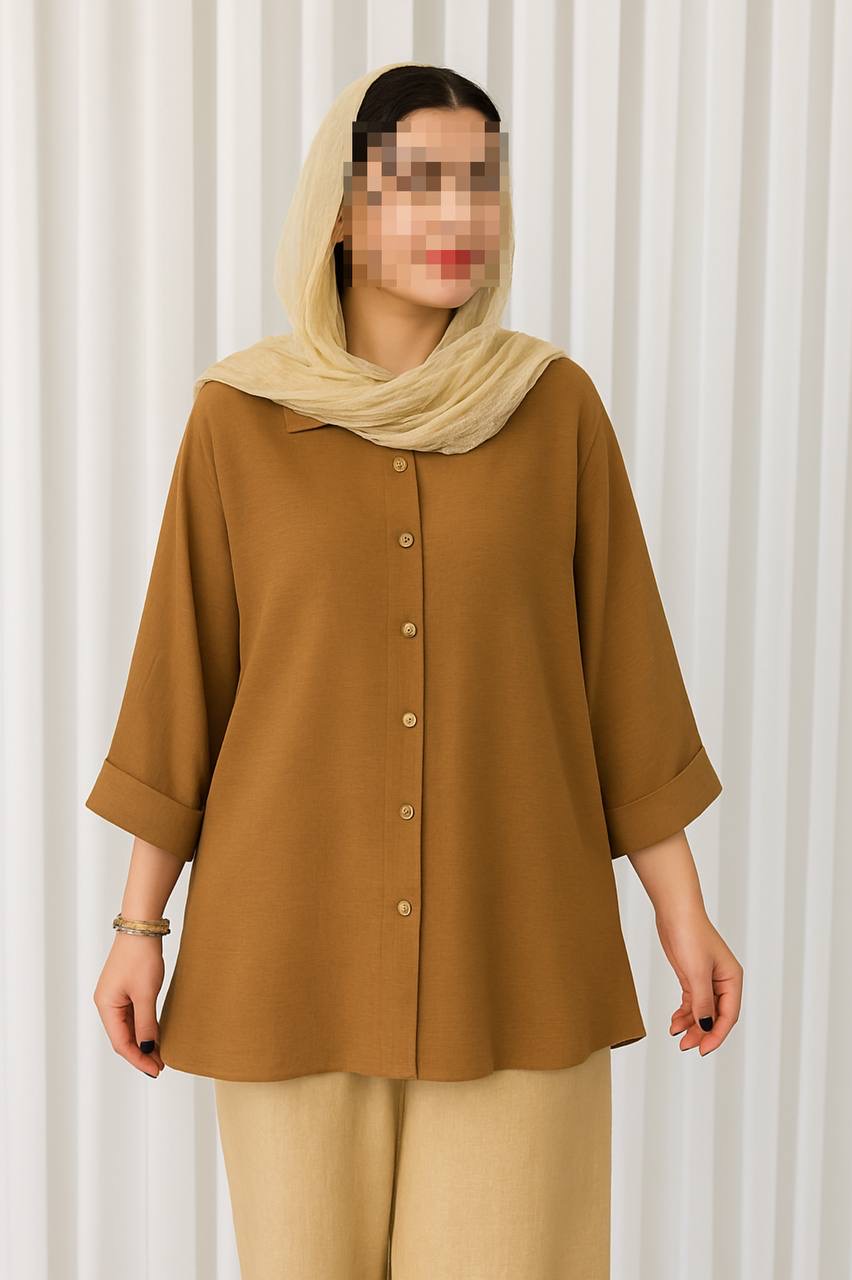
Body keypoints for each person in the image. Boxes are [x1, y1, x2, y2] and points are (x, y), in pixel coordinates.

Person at [87, 61, 742, 1279]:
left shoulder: (552, 409)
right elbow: (186, 682)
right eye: (421, 181)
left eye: (481, 183)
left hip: (517, 946)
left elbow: (626, 680)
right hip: (287, 950)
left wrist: (682, 911)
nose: (458, 215)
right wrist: (139, 925)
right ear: (342, 209)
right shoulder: (238, 418)